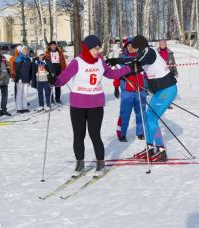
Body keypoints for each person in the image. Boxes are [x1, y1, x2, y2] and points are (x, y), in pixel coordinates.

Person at [50, 35, 136, 176]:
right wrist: (55, 81)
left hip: (95, 104)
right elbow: (64, 77)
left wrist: (128, 69)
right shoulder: (77, 62)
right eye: (96, 48)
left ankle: (101, 164)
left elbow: (112, 74)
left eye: (99, 48)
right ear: (88, 48)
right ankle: (80, 164)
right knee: (79, 135)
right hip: (78, 105)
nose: (98, 50)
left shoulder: (100, 62)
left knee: (95, 134)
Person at [124, 35, 178, 161]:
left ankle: (161, 149)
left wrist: (119, 61)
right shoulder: (143, 53)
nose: (134, 50)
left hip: (168, 90)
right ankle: (150, 148)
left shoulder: (149, 52)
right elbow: (134, 67)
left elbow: (137, 63)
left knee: (152, 119)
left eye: (135, 47)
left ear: (140, 46)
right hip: (160, 91)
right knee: (147, 118)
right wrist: (116, 62)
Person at [113, 36, 146, 142]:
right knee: (125, 113)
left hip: (140, 90)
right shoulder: (121, 58)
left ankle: (140, 132)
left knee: (141, 112)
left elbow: (147, 73)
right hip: (127, 91)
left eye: (133, 45)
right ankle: (121, 134)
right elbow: (116, 74)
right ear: (125, 46)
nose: (131, 47)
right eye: (129, 45)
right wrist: (116, 87)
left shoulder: (142, 57)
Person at [157, 39, 178, 110]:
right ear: (159, 45)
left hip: (169, 73)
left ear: (165, 44)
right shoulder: (156, 52)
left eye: (163, 44)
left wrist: (175, 71)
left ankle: (167, 103)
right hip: (160, 73)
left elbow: (173, 63)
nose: (162, 45)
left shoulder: (169, 53)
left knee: (168, 89)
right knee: (161, 89)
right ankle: (159, 103)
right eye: (160, 44)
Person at [15, 46, 32, 113]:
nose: (26, 51)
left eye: (27, 50)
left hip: (26, 79)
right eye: (24, 50)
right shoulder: (19, 58)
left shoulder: (28, 59)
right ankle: (19, 108)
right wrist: (19, 78)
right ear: (22, 51)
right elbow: (17, 69)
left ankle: (24, 107)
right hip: (20, 79)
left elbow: (30, 70)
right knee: (19, 94)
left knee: (25, 94)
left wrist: (30, 78)